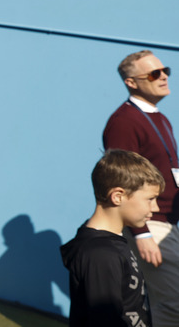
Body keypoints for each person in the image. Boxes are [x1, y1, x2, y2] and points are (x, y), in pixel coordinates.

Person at [103, 50, 179, 327]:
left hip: (168, 224)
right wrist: (142, 233)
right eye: (154, 74)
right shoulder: (124, 122)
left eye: (165, 70)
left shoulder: (161, 118)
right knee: (174, 303)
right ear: (131, 82)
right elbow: (120, 180)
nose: (163, 77)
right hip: (150, 225)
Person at [60, 149, 163, 327]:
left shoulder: (113, 242)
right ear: (118, 197)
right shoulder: (100, 254)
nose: (156, 208)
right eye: (150, 199)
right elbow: (104, 319)